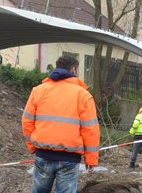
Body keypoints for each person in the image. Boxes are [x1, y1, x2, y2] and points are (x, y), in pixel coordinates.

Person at [22, 55, 100, 193]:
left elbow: (27, 121)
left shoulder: (39, 91)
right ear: (73, 70)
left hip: (43, 155)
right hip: (69, 159)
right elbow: (90, 130)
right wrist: (91, 159)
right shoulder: (83, 95)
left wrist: (32, 147)